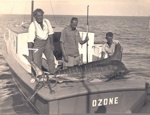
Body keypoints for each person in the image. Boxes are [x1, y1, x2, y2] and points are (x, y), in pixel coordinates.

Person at [28, 8, 55, 82]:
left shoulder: (47, 21)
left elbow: (50, 33)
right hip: (37, 43)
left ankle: (53, 75)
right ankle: (35, 76)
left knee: (51, 59)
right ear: (35, 16)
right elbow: (30, 41)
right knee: (36, 61)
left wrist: (52, 44)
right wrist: (30, 54)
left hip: (47, 42)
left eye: (41, 15)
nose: (40, 17)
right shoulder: (32, 25)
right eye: (38, 16)